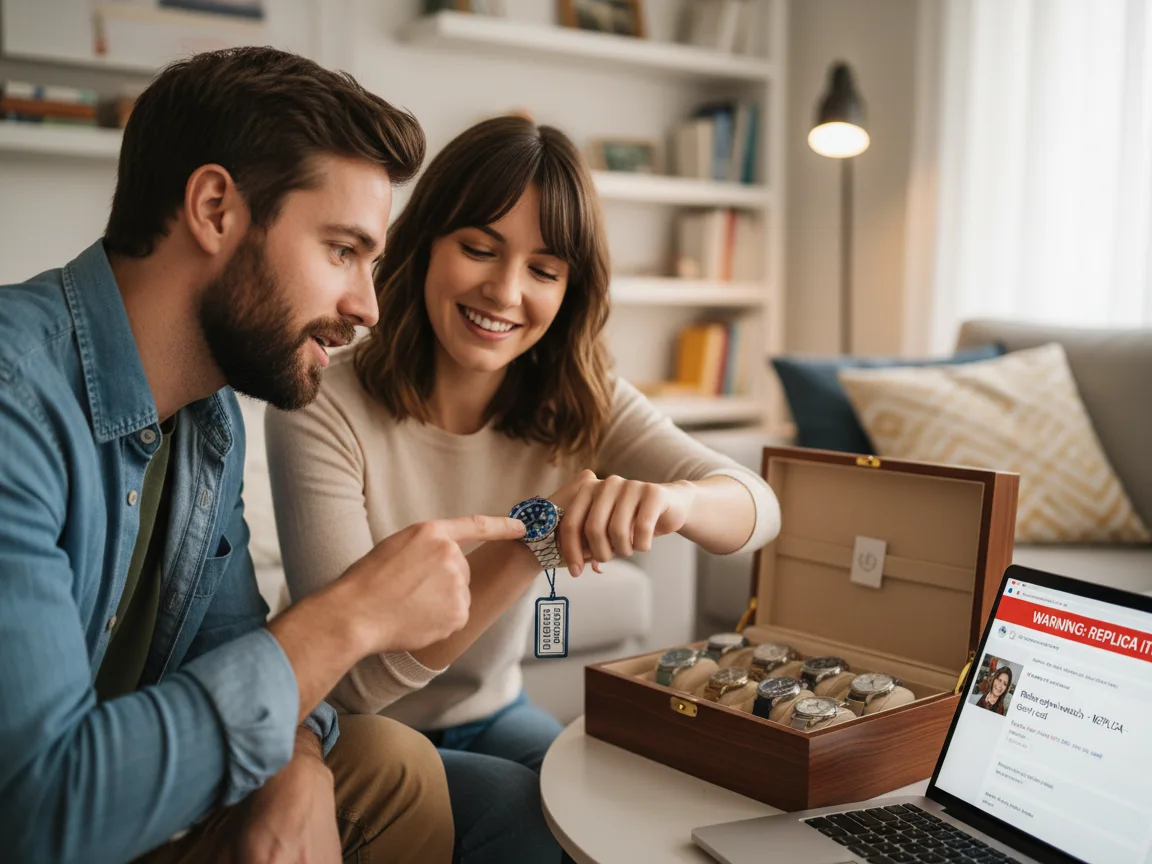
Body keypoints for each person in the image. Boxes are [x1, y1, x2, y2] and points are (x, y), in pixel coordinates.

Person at [0, 47, 529, 864]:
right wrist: (353, 612)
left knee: (405, 773)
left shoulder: (209, 423)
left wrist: (299, 773)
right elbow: (40, 811)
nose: (367, 308)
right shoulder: (15, 401)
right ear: (215, 208)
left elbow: (238, 650)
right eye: (343, 251)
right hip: (55, 820)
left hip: (134, 804)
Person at [265, 114, 782, 863]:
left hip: (492, 710)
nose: (505, 292)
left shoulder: (578, 394)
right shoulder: (325, 403)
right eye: (478, 249)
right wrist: (539, 533)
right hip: (354, 728)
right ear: (426, 245)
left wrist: (675, 502)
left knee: (634, 809)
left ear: (570, 290)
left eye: (543, 270)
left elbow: (758, 506)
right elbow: (360, 677)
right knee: (533, 826)